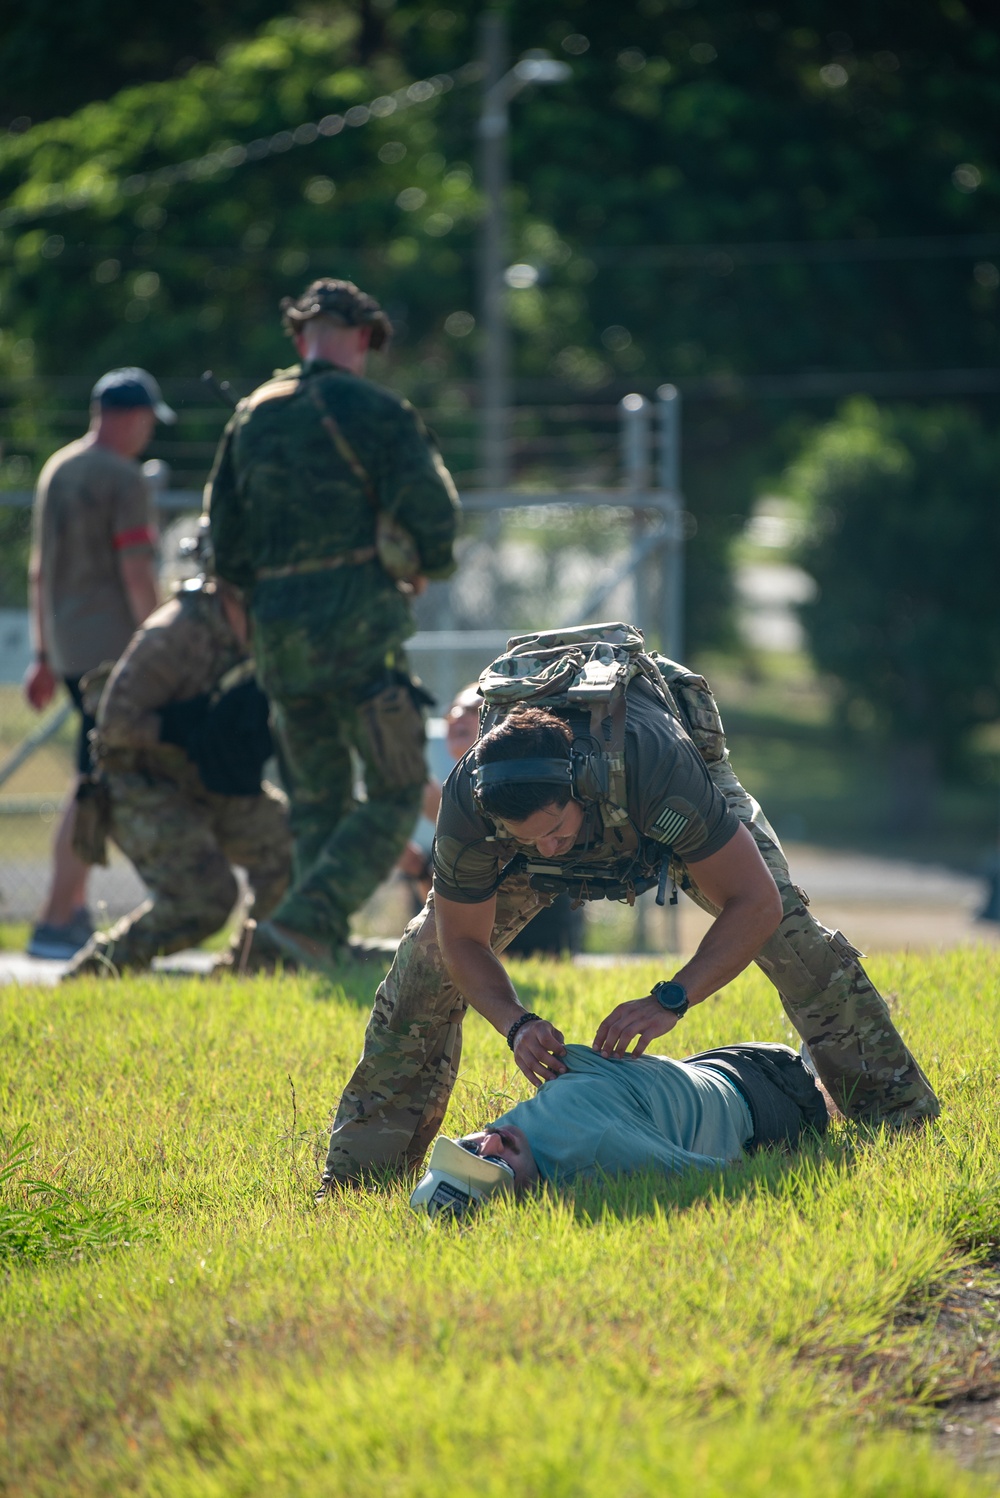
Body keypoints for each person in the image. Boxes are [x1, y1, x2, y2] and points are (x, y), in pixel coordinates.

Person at [320, 624, 938, 1193]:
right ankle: (362, 1177)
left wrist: (672, 998)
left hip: (653, 822)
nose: (549, 848)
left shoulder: (654, 763)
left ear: (579, 788)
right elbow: (460, 943)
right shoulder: (471, 804)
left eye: (555, 829)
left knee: (797, 945)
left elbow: (755, 904)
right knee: (420, 971)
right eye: (528, 836)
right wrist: (515, 1021)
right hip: (549, 832)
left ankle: (898, 1121)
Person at [204, 278, 459, 973]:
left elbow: (223, 546)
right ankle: (304, 922)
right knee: (399, 789)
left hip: (279, 645)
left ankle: (308, 947)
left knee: (314, 801)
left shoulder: (250, 417)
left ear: (299, 336)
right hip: (362, 637)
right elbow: (435, 515)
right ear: (363, 337)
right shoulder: (376, 411)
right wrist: (425, 560)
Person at [62, 570, 291, 977]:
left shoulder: (267, 626)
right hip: (140, 783)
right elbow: (113, 723)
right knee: (205, 899)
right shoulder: (175, 630)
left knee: (288, 846)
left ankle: (248, 968)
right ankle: (97, 971)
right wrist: (180, 728)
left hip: (205, 778)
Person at [23, 367, 169, 958]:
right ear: (129, 417)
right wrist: (160, 642)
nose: (148, 435)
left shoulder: (57, 467)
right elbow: (136, 572)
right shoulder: (122, 478)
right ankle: (57, 917)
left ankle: (70, 909)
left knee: (95, 779)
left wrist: (40, 653)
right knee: (93, 785)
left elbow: (38, 570)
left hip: (66, 648)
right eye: (148, 423)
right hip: (113, 653)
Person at [410, 1040, 830, 1216]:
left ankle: (825, 1078)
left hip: (776, 1097)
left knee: (842, 1093)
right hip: (729, 1062)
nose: (493, 1139)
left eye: (469, 1145)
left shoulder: (598, 1150)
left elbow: (735, 1180)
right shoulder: (530, 1117)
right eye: (495, 1166)